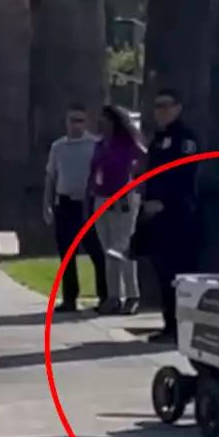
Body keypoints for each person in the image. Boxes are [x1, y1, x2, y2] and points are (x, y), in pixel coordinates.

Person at [139, 87, 201, 342]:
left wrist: (165, 202)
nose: (161, 112)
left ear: (178, 108)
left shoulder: (184, 139)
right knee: (162, 272)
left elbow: (185, 175)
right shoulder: (158, 138)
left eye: (166, 106)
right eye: (157, 107)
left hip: (178, 214)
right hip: (157, 216)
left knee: (178, 273)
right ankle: (169, 324)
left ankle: (181, 327)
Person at [44, 104, 108, 312]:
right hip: (65, 203)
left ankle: (104, 296)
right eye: (72, 120)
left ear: (87, 122)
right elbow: (51, 177)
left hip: (89, 204)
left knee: (97, 252)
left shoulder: (96, 144)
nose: (76, 125)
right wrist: (47, 204)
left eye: (80, 120)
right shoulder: (58, 147)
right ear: (66, 122)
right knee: (66, 254)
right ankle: (70, 298)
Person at [88, 104, 145, 315]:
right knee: (108, 251)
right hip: (101, 198)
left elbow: (140, 164)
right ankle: (114, 297)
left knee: (123, 248)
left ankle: (133, 295)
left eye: (107, 119)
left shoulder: (128, 144)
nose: (102, 123)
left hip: (123, 198)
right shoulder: (101, 145)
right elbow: (93, 172)